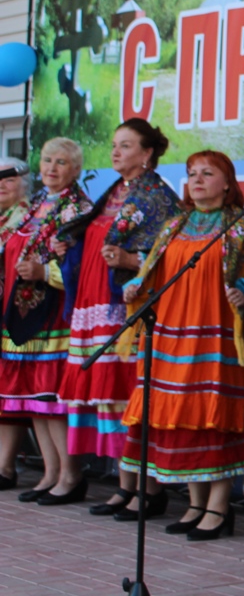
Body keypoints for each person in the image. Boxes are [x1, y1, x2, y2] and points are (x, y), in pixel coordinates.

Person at [120, 150, 244, 541]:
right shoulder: (174, 223)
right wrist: (136, 287)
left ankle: (218, 508)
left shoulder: (243, 225)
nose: (197, 180)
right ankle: (195, 504)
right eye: (191, 174)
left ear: (228, 182)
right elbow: (153, 271)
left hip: (215, 333)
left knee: (211, 419)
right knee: (182, 419)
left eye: (207, 173)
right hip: (170, 333)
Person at [55, 118, 180, 519]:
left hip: (124, 308)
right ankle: (125, 486)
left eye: (125, 146)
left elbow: (170, 254)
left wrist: (131, 260)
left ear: (147, 154)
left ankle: (150, 488)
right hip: (94, 303)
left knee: (129, 395)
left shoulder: (157, 197)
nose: (115, 152)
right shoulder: (114, 192)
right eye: (114, 145)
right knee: (108, 400)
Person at [0, 138, 93, 505]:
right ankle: (51, 473)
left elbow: (82, 265)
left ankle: (71, 475)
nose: (51, 168)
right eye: (47, 160)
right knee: (35, 400)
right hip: (24, 313)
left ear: (75, 169)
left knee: (53, 398)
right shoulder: (38, 203)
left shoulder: (78, 208)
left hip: (54, 314)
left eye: (61, 162)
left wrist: (44, 271)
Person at [0, 157, 33, 489]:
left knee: (7, 393)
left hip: (13, 314)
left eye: (9, 180)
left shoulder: (26, 220)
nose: (1, 186)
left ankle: (5, 466)